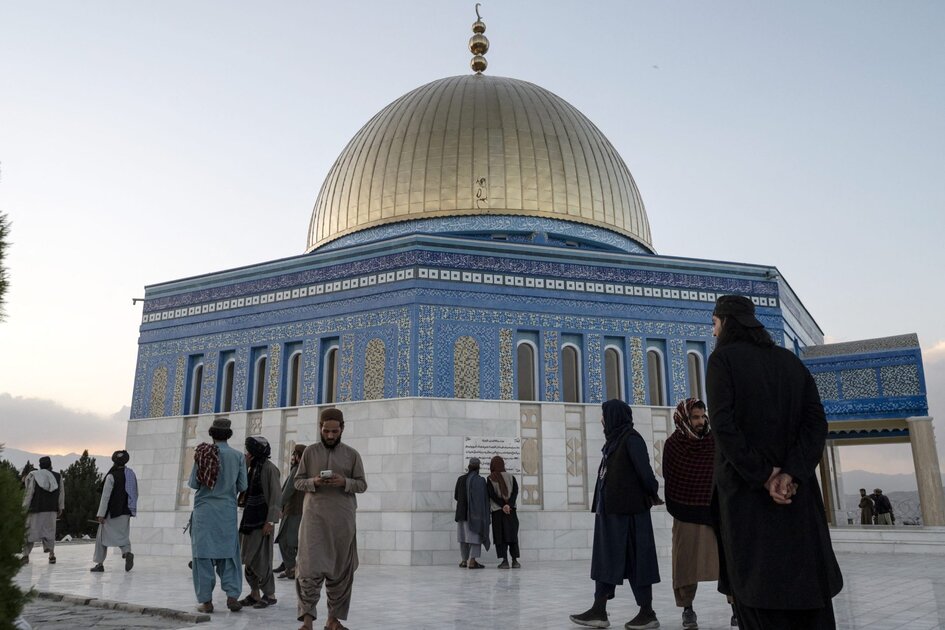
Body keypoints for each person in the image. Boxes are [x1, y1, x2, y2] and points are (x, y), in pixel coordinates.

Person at [707, 294, 843, 629]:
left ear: (725, 322)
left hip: (749, 501)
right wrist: (792, 474)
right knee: (807, 592)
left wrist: (764, 474)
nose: (712, 333)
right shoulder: (790, 362)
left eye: (713, 324)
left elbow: (723, 426)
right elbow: (816, 424)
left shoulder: (722, 361)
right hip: (796, 500)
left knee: (758, 593)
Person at [570, 399, 662, 630]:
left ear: (614, 416)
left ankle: (647, 612)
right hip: (612, 513)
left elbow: (646, 474)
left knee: (637, 561)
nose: (602, 420)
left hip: (631, 514)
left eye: (604, 415)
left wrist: (650, 493)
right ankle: (599, 610)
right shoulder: (614, 442)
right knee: (606, 560)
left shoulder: (631, 439)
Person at [663, 398, 735, 629]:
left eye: (703, 416)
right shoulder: (673, 445)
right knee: (685, 563)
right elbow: (671, 477)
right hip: (686, 511)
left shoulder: (715, 442)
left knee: (728, 562)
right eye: (695, 417)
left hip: (716, 512)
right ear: (684, 418)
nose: (701, 421)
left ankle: (736, 608)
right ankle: (687, 609)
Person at [295, 408, 367, 630]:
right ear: (320, 428)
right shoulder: (309, 453)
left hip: (342, 521)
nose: (330, 436)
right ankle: (307, 621)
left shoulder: (352, 454)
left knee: (340, 571)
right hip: (314, 520)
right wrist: (314, 481)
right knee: (308, 569)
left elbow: (362, 484)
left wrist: (344, 482)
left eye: (335, 431)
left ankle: (333, 620)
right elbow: (298, 482)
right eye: (326, 431)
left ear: (342, 429)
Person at [188, 417, 248, 614]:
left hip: (204, 512)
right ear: (228, 435)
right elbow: (242, 486)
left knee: (202, 557)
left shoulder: (203, 454)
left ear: (211, 434)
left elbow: (194, 484)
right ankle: (232, 596)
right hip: (226, 512)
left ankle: (206, 602)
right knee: (228, 555)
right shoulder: (238, 456)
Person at [238, 436, 281, 608]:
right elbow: (241, 489)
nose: (248, 453)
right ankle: (254, 593)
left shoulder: (270, 469)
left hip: (262, 522)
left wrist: (270, 521)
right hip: (249, 521)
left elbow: (276, 497)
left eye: (250, 450)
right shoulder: (252, 468)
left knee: (262, 559)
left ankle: (269, 594)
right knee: (248, 558)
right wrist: (245, 467)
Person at [90, 450, 138, 572]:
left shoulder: (111, 476)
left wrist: (101, 514)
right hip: (125, 511)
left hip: (112, 512)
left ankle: (99, 564)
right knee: (123, 536)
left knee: (101, 538)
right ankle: (127, 553)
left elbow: (106, 496)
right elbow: (135, 493)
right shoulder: (130, 474)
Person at [21, 456, 64, 565]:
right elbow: (61, 493)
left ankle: (25, 556)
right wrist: (60, 507)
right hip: (51, 509)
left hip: (36, 509)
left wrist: (24, 508)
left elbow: (29, 493)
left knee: (29, 533)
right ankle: (51, 555)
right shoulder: (58, 476)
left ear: (40, 465)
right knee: (50, 533)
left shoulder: (34, 476)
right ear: (50, 464)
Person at [276, 443, 306, 580]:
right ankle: (290, 567)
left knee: (285, 540)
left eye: (295, 454)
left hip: (293, 511)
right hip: (296, 510)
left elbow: (287, 491)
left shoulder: (297, 470)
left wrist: (277, 506)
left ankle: (291, 568)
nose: (292, 456)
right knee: (291, 541)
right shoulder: (302, 470)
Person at [454, 457, 491, 569]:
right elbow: (484, 499)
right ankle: (473, 561)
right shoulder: (480, 481)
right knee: (475, 537)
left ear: (469, 466)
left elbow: (456, 496)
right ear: (478, 467)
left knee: (463, 538)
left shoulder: (460, 479)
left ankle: (464, 560)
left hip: (462, 514)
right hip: (475, 516)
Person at [486, 455, 520, 569]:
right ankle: (515, 561)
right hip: (511, 511)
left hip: (498, 512)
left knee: (501, 536)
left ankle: (505, 561)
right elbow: (515, 492)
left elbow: (491, 494)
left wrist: (503, 505)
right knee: (512, 535)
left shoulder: (490, 478)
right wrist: (509, 504)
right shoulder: (511, 477)